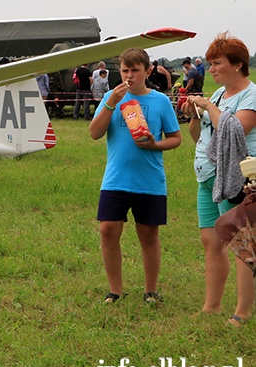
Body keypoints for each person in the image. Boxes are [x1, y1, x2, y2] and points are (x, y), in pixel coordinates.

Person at [89, 47, 182, 304]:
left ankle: (150, 291)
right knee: (108, 230)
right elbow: (94, 133)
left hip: (149, 180)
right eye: (125, 70)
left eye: (135, 70)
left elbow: (176, 139)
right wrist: (109, 104)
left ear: (148, 71)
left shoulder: (160, 101)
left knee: (149, 235)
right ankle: (115, 290)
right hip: (116, 178)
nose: (129, 76)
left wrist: (153, 145)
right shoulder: (111, 97)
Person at [182, 32, 256, 325]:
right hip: (208, 176)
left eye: (217, 63)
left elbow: (236, 128)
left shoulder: (251, 95)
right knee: (210, 240)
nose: (210, 69)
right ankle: (211, 306)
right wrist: (193, 115)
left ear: (237, 64)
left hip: (236, 179)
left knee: (241, 244)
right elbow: (199, 137)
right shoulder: (216, 95)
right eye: (210, 63)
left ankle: (242, 312)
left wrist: (210, 108)